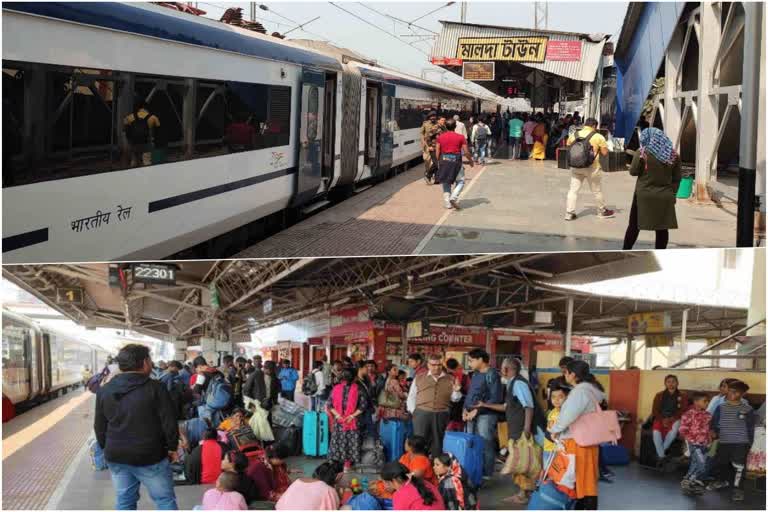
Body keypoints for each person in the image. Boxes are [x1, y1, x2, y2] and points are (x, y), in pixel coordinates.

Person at [94, 344, 179, 510]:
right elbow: (169, 422)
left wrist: (107, 448)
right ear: (145, 362)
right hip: (150, 455)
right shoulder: (156, 388)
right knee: (164, 500)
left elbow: (99, 426)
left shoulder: (104, 390)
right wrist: (171, 447)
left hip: (117, 455)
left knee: (124, 501)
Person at [548, 360, 605, 510]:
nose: (564, 375)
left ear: (573, 375)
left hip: (577, 442)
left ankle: (584, 508)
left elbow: (568, 417)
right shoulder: (592, 390)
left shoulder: (580, 392)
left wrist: (554, 430)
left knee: (578, 479)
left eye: (565, 372)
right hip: (588, 441)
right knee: (587, 480)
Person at [622, 127, 682, 249]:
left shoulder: (643, 153)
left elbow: (633, 172)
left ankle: (625, 250)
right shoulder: (674, 155)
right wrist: (673, 194)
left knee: (634, 226)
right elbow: (677, 178)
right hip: (665, 196)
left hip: (643, 196)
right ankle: (661, 253)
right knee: (662, 229)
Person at [708, 380, 755, 502]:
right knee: (721, 463)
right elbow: (714, 423)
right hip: (724, 441)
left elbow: (750, 427)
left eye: (734, 392)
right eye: (729, 391)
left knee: (739, 467)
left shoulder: (748, 409)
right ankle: (721, 481)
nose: (730, 394)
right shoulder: (721, 407)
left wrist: (749, 443)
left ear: (742, 394)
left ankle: (738, 489)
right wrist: (713, 431)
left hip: (741, 443)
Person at [407, 354, 462, 457]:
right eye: (433, 365)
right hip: (421, 413)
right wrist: (414, 411)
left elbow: (455, 399)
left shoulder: (450, 378)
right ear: (428, 365)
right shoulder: (419, 377)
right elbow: (411, 396)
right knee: (419, 442)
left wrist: (457, 391)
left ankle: (435, 467)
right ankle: (419, 465)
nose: (436, 367)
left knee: (438, 442)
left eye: (439, 365)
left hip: (441, 413)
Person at [462, 349, 504, 481]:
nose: (469, 363)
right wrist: (465, 409)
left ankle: (486, 473)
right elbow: (471, 395)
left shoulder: (492, 375)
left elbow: (495, 398)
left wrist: (477, 411)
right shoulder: (475, 374)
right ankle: (475, 470)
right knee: (473, 443)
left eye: (471, 360)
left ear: (480, 359)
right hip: (471, 414)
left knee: (485, 443)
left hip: (485, 415)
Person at [564, 118, 615, 221]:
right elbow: (605, 153)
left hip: (576, 166)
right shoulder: (598, 136)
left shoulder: (574, 135)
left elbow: (568, 146)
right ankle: (602, 211)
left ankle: (569, 213)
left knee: (573, 190)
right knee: (596, 191)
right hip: (592, 167)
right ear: (594, 126)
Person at [327, 368, 365, 471]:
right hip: (351, 422)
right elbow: (362, 406)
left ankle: (335, 465)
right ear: (353, 378)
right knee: (350, 443)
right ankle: (347, 466)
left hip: (339, 421)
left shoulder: (335, 388)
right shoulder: (358, 389)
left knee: (337, 442)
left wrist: (338, 416)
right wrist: (352, 416)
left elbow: (329, 405)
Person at [436, 118, 475, 210]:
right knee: (460, 181)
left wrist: (439, 162)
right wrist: (470, 161)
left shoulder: (440, 137)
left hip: (444, 160)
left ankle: (447, 204)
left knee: (446, 182)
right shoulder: (460, 137)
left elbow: (437, 151)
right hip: (456, 161)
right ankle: (453, 197)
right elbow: (466, 152)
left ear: (445, 126)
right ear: (455, 126)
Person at [679, 391, 712, 494]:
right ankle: (687, 481)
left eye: (708, 401)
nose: (707, 403)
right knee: (702, 465)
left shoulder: (708, 415)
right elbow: (683, 430)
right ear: (696, 402)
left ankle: (689, 483)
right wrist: (691, 441)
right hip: (694, 444)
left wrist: (709, 439)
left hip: (704, 444)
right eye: (705, 401)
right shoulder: (688, 414)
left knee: (694, 464)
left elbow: (708, 430)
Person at [650, 374, 688, 463]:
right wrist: (662, 419)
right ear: (665, 384)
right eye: (668, 382)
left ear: (677, 383)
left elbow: (683, 410)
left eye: (673, 382)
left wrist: (671, 419)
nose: (671, 384)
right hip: (661, 418)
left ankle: (660, 455)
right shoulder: (659, 395)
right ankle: (662, 456)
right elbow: (654, 410)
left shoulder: (683, 395)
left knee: (674, 431)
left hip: (675, 418)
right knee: (655, 432)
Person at [275, 461, 343, 510]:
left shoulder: (298, 481)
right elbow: (333, 508)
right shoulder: (328, 490)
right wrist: (339, 496)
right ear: (338, 476)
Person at [381, 461, 445, 510]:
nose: (385, 485)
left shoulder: (399, 495)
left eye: (385, 482)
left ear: (394, 480)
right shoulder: (425, 483)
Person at [123, 99, 160, 167]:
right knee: (147, 162)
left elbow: (126, 131)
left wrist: (130, 142)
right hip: (147, 143)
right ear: (146, 107)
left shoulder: (129, 117)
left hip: (134, 143)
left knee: (134, 162)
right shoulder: (153, 117)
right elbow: (158, 132)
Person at [355, 361, 377, 441]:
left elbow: (370, 394)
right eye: (366, 367)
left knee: (368, 429)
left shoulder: (366, 380)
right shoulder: (355, 382)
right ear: (360, 369)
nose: (368, 369)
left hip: (367, 408)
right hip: (360, 409)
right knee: (370, 429)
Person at [421, 111, 444, 185]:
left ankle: (437, 179)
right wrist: (427, 146)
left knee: (437, 162)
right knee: (434, 162)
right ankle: (428, 175)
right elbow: (425, 136)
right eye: (431, 116)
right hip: (432, 146)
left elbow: (445, 133)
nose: (433, 117)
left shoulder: (440, 125)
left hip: (440, 146)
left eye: (434, 116)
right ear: (429, 117)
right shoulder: (427, 125)